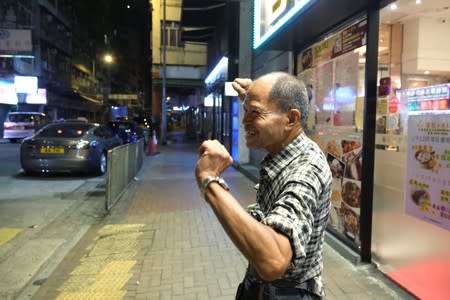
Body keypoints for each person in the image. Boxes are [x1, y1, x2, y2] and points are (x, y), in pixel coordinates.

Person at [195, 72, 332, 299]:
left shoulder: (306, 170)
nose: (244, 121)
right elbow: (275, 104)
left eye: (255, 113)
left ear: (290, 119)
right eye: (246, 111)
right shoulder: (282, 151)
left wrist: (210, 180)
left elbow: (274, 260)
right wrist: (255, 100)